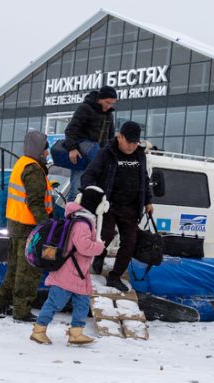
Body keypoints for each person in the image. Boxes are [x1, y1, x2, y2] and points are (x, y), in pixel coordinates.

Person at [30, 186, 108, 346]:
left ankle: (76, 333)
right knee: (55, 302)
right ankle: (39, 330)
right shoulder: (82, 224)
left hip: (79, 272)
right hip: (68, 272)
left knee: (83, 303)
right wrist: (99, 247)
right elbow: (83, 246)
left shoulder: (83, 220)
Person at [81, 121, 153, 292]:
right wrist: (89, 192)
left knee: (130, 242)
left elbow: (144, 179)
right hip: (109, 204)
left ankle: (115, 277)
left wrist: (148, 200)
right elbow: (89, 174)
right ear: (119, 137)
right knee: (105, 234)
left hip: (131, 206)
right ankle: (99, 256)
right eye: (129, 142)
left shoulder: (140, 155)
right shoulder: (106, 153)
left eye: (135, 143)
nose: (132, 146)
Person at [0, 129, 54, 322]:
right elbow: (35, 201)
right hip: (29, 227)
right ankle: (21, 311)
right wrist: (45, 227)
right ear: (38, 149)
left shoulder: (21, 164)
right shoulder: (33, 169)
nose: (47, 152)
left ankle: (1, 304)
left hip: (15, 225)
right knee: (28, 271)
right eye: (45, 149)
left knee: (14, 268)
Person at [63, 85, 118, 202]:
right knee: (77, 190)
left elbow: (110, 137)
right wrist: (72, 148)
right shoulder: (85, 108)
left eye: (112, 103)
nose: (109, 106)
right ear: (99, 98)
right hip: (81, 155)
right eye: (107, 102)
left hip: (98, 157)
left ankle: (86, 217)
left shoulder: (109, 114)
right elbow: (71, 130)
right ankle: (72, 218)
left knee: (94, 191)